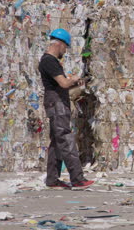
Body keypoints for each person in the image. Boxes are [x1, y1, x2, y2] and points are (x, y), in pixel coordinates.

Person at [38, 28, 94, 189]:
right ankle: (77, 178)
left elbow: (60, 85)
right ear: (59, 44)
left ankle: (52, 179)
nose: (65, 51)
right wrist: (74, 78)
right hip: (57, 105)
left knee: (57, 142)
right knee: (66, 139)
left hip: (55, 102)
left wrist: (76, 83)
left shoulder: (49, 61)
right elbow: (63, 83)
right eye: (65, 47)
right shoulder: (49, 61)